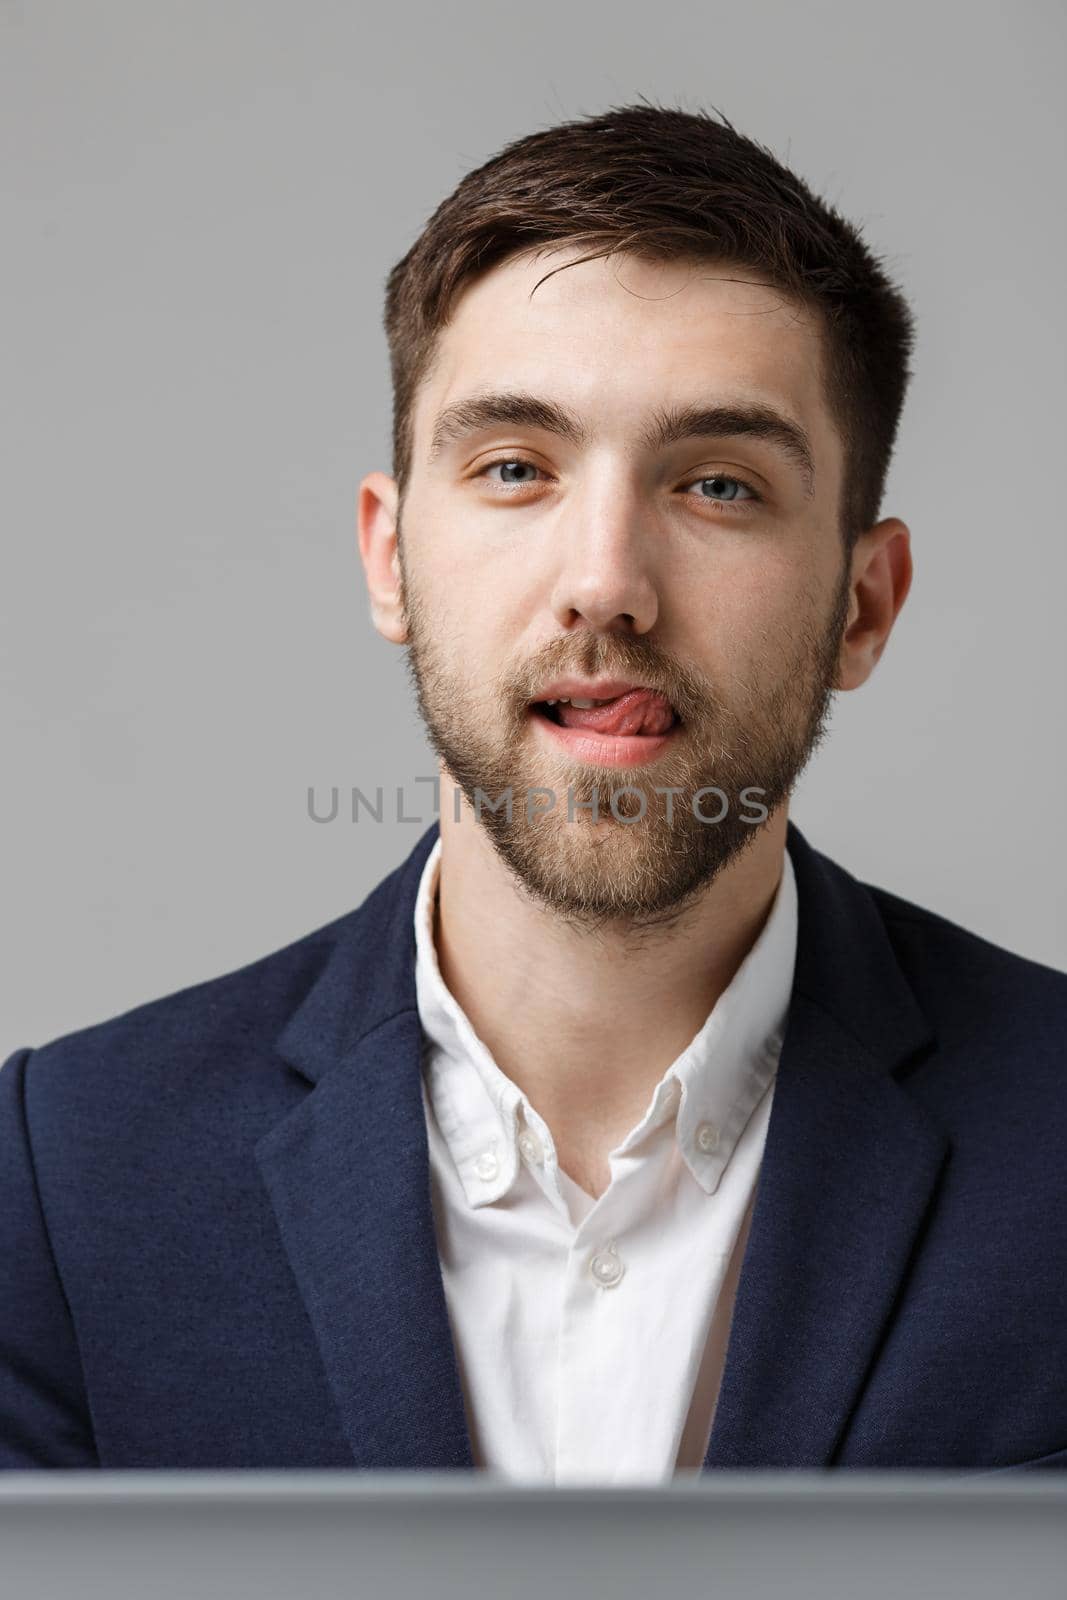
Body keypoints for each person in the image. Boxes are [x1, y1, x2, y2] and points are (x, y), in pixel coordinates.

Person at [2, 102, 1064, 1478]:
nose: (607, 583)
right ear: (391, 558)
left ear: (865, 606)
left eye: (721, 487)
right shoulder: (66, 1183)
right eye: (516, 468)